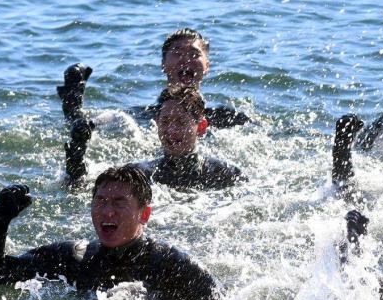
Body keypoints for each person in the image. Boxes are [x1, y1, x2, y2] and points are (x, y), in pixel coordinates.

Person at [0, 165, 219, 300]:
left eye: (119, 203)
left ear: (144, 214)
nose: (107, 211)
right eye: (100, 201)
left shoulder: (169, 265)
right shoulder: (73, 258)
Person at [56, 28, 248, 129]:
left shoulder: (226, 118)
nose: (185, 59)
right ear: (163, 65)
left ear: (207, 66)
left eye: (194, 54)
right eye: (177, 52)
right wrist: (80, 123)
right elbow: (100, 123)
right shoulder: (138, 117)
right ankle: (73, 110)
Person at [65, 86, 244, 191]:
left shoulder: (225, 174)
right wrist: (76, 160)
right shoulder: (139, 174)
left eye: (181, 122)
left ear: (202, 127)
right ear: (156, 123)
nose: (171, 130)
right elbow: (79, 189)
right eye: (165, 121)